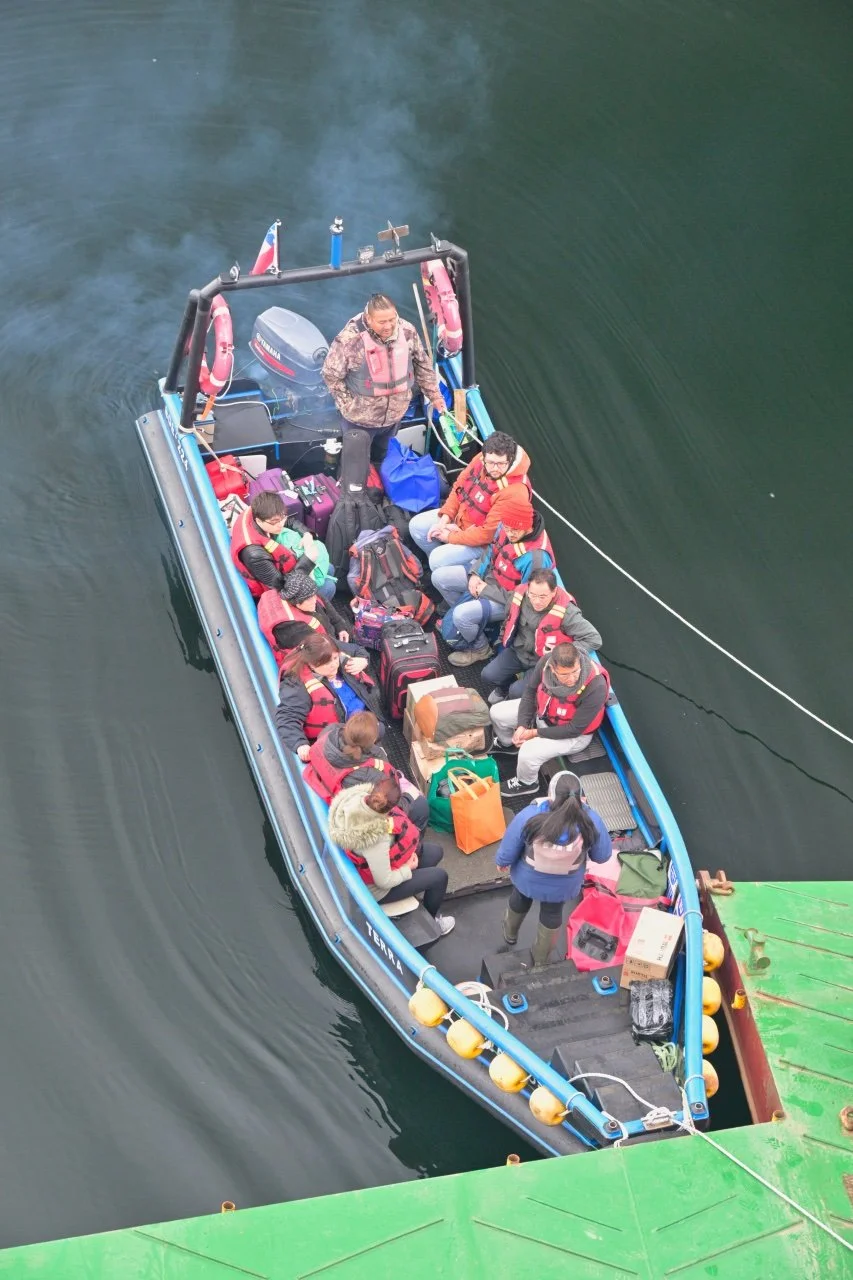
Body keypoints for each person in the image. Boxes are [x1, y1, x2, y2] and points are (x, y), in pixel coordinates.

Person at [496, 771, 612, 967]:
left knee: (519, 899)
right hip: (563, 887)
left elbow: (509, 847)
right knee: (552, 913)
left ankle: (510, 935)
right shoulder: (591, 820)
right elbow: (602, 856)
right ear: (580, 796)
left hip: (527, 879)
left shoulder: (530, 815)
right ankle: (540, 959)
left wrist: (502, 861)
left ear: (551, 794)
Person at [322, 293, 446, 463]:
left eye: (392, 319)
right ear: (369, 318)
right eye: (382, 322)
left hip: (394, 417)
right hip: (359, 420)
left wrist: (435, 396)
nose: (388, 326)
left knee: (381, 457)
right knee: (355, 464)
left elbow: (422, 365)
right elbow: (330, 374)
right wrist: (348, 405)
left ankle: (378, 471)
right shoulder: (350, 340)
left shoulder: (407, 331)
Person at [438, 489, 554, 666]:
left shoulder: (535, 558)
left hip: (506, 601)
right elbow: (491, 551)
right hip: (488, 580)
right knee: (440, 578)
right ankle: (471, 624)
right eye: (508, 528)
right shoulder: (505, 526)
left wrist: (486, 590)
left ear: (528, 527)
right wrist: (475, 574)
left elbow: (526, 600)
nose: (510, 533)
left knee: (462, 616)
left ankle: (480, 648)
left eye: (516, 530)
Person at [328, 776, 455, 935]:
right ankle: (431, 926)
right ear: (390, 809)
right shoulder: (375, 839)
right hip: (378, 890)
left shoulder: (357, 798)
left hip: (379, 865)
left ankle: (413, 891)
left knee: (435, 852)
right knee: (439, 878)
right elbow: (384, 881)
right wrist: (408, 868)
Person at [490, 642, 611, 799]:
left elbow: (574, 729)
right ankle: (507, 743)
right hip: (544, 714)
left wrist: (534, 733)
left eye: (575, 671)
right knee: (497, 713)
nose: (572, 679)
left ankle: (527, 783)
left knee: (528, 751)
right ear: (553, 669)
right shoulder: (545, 662)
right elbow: (530, 692)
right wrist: (522, 725)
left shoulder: (596, 685)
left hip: (574, 735)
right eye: (565, 674)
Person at [408, 432, 532, 580]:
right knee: (417, 526)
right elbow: (459, 487)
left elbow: (487, 535)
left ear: (510, 460)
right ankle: (440, 566)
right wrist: (445, 519)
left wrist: (450, 537)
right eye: (490, 463)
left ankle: (455, 574)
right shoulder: (481, 459)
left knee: (437, 560)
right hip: (462, 519)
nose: (495, 468)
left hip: (482, 542)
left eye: (501, 464)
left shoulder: (514, 492)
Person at [481, 569, 602, 703]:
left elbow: (594, 639)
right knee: (488, 675)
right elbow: (508, 613)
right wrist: (483, 589)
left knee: (517, 692)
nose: (537, 601)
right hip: (518, 651)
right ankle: (505, 688)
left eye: (543, 597)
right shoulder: (519, 595)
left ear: (554, 592)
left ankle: (518, 695)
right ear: (528, 589)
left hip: (544, 661)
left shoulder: (567, 612)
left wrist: (562, 654)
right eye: (532, 595)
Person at [303, 712, 430, 829]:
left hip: (336, 776)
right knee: (421, 806)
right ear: (372, 742)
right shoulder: (370, 775)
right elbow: (387, 804)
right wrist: (408, 798)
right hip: (363, 801)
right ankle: (414, 839)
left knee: (381, 728)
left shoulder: (330, 731)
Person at [275, 634, 379, 761]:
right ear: (312, 664)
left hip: (363, 716)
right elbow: (287, 717)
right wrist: (300, 744)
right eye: (327, 662)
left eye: (335, 658)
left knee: (380, 729)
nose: (334, 664)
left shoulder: (329, 648)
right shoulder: (295, 684)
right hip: (341, 735)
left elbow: (357, 650)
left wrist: (363, 660)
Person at [258, 570, 359, 669]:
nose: (315, 600)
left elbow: (324, 603)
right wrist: (354, 653)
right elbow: (321, 650)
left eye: (314, 595)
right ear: (297, 604)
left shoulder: (307, 595)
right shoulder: (293, 629)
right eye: (310, 599)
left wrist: (340, 626)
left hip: (328, 637)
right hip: (317, 656)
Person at [230, 492, 312, 599]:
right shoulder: (254, 554)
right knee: (329, 586)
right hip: (274, 589)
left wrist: (307, 533)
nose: (281, 524)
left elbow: (288, 521)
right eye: (275, 522)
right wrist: (308, 560)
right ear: (259, 521)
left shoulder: (262, 513)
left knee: (330, 569)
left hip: (280, 569)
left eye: (282, 518)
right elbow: (282, 586)